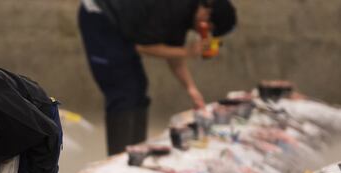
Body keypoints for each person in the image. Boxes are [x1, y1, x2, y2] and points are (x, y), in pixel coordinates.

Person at [78, 0, 237, 156]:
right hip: (100, 15)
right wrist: (187, 52)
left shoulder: (187, 13)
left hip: (122, 25)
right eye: (209, 26)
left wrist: (191, 88)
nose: (204, 30)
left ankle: (135, 154)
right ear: (207, 10)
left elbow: (174, 54)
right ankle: (119, 162)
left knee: (138, 87)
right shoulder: (173, 8)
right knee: (123, 92)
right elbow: (143, 47)